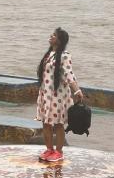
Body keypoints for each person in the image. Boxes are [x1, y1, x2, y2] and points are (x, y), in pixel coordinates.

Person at [36, 28, 83, 162]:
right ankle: (49, 149)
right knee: (46, 123)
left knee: (58, 124)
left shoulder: (65, 55)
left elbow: (69, 74)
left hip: (58, 96)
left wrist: (77, 90)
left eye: (54, 35)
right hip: (45, 94)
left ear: (60, 40)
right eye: (51, 34)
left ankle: (59, 151)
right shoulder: (49, 54)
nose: (51, 36)